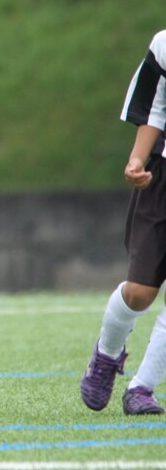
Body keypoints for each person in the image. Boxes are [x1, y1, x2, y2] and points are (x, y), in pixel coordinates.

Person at [80, 30, 166, 416]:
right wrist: (137, 160)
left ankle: (142, 388)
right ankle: (106, 354)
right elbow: (155, 109)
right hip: (163, 179)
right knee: (139, 292)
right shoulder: (164, 45)